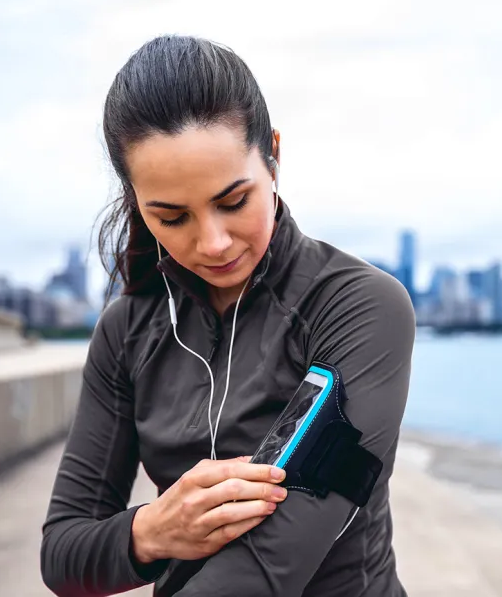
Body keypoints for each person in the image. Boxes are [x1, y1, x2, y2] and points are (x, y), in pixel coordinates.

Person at [40, 35, 415, 597]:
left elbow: (273, 562)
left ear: (274, 156)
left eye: (233, 201)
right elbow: (62, 554)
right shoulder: (126, 331)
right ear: (135, 199)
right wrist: (153, 530)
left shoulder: (358, 306)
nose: (212, 242)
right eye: (171, 216)